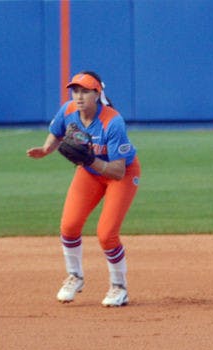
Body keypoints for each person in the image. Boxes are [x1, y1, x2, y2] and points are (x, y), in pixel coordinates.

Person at [27, 71, 140, 307]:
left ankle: (119, 287)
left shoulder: (113, 122)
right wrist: (46, 149)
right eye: (75, 91)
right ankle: (74, 276)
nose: (78, 96)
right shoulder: (68, 110)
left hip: (122, 175)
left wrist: (88, 161)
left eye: (85, 91)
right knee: (69, 226)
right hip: (90, 174)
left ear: (97, 94)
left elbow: (118, 171)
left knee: (106, 234)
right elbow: (56, 133)